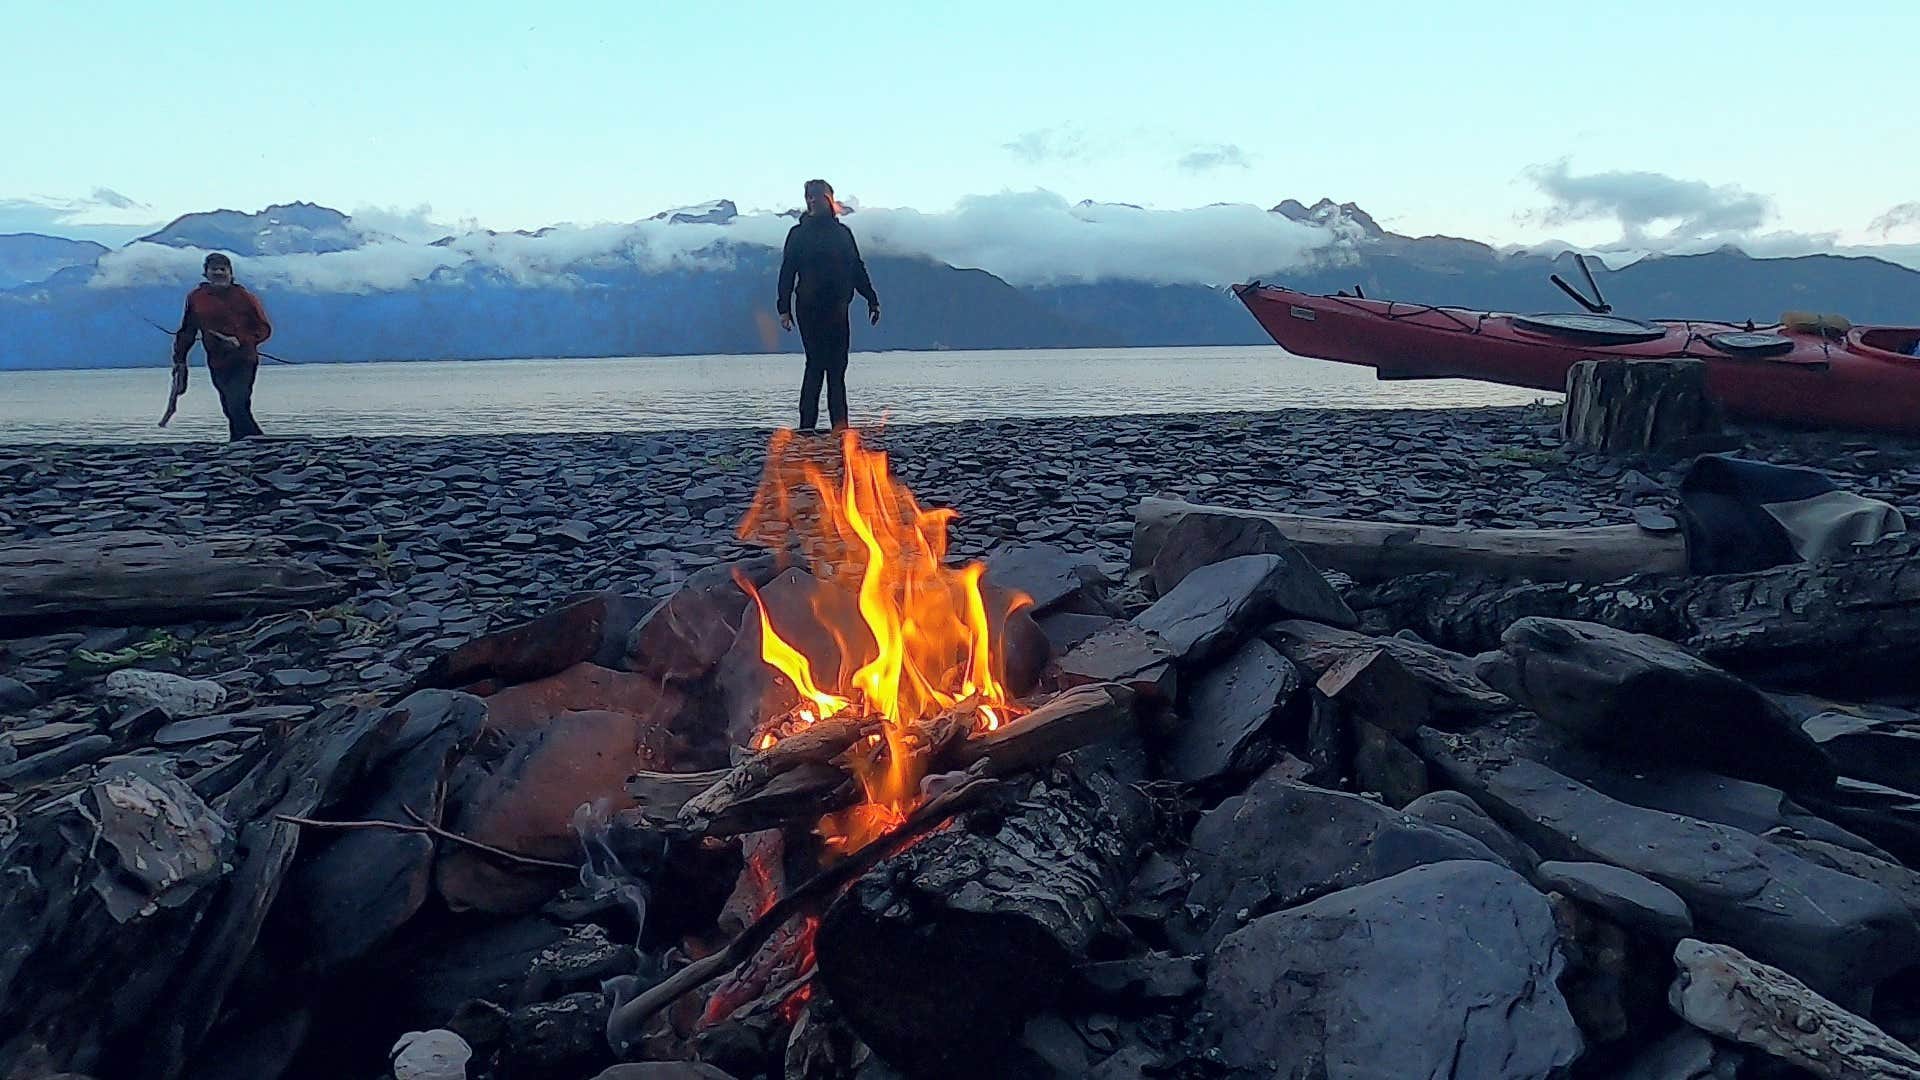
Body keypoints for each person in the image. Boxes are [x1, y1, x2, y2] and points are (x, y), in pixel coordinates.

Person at [776, 179, 880, 433]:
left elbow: (856, 267)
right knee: (815, 363)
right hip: (809, 308)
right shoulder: (798, 234)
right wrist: (783, 308)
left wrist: (871, 297)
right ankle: (806, 426)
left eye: (817, 196)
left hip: (838, 307)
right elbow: (787, 271)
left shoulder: (842, 234)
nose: (812, 201)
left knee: (837, 367)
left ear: (829, 199)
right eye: (808, 197)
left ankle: (840, 427)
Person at [172, 252, 273, 441]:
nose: (218, 272)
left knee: (237, 401)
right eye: (214, 269)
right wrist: (179, 359)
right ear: (206, 273)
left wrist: (242, 340)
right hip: (217, 361)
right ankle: (240, 441)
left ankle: (257, 439)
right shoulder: (196, 298)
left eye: (222, 269)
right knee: (228, 403)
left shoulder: (245, 297)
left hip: (244, 358)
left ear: (230, 273)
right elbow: (187, 331)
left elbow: (264, 328)